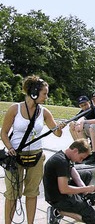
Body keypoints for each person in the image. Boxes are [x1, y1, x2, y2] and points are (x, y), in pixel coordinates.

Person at [1, 75, 65, 224]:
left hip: (36, 156)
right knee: (12, 194)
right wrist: (10, 147)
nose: (47, 97)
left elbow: (57, 133)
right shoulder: (14, 109)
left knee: (32, 193)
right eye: (44, 93)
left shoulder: (44, 112)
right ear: (34, 93)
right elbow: (3, 133)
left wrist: (60, 128)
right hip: (15, 155)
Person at [43, 139, 95, 224]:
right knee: (92, 219)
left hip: (61, 191)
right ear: (75, 151)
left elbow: (77, 178)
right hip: (57, 198)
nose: (80, 161)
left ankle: (79, 205)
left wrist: (87, 193)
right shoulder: (61, 162)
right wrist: (87, 189)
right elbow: (64, 189)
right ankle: (57, 211)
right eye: (81, 158)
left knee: (87, 174)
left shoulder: (66, 156)